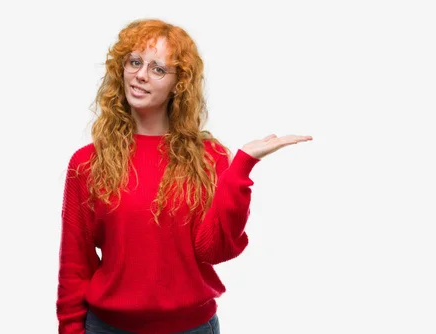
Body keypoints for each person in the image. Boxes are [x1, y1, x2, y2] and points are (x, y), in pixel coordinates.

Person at [56, 18, 312, 334]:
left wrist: (242, 167)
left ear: (179, 83)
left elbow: (215, 249)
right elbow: (75, 263)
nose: (140, 75)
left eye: (157, 69)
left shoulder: (208, 158)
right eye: (134, 62)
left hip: (191, 328)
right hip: (109, 328)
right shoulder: (87, 162)